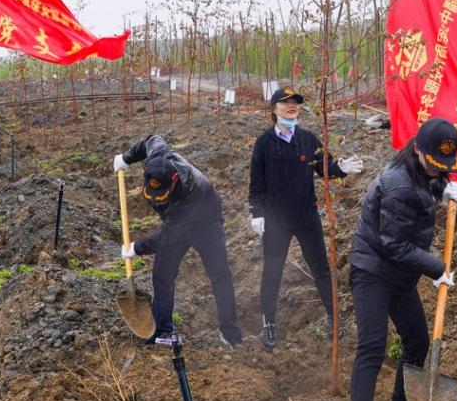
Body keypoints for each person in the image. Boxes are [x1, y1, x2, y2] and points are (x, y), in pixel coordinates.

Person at [346, 117, 457, 401]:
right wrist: (436, 267)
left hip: (399, 271)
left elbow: (431, 178)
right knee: (372, 347)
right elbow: (393, 244)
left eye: (445, 167)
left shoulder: (422, 171)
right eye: (435, 165)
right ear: (417, 149)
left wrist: (443, 187)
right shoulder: (397, 186)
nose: (439, 170)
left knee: (417, 341)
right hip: (373, 269)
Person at [248, 86, 364, 349]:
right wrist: (257, 213)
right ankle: (268, 324)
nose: (292, 107)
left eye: (295, 103)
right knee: (272, 272)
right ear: (274, 109)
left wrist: (340, 169)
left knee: (321, 269)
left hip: (306, 216)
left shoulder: (309, 140)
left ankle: (333, 319)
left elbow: (327, 169)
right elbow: (256, 184)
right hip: (276, 221)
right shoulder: (265, 143)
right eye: (286, 102)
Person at [115, 134, 244, 349]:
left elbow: (170, 234)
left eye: (161, 195)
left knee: (219, 274)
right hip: (175, 222)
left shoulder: (192, 190)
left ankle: (230, 333)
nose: (156, 199)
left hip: (205, 222)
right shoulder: (158, 154)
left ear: (173, 181)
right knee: (162, 275)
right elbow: (150, 138)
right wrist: (127, 158)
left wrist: (137, 248)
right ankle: (161, 330)